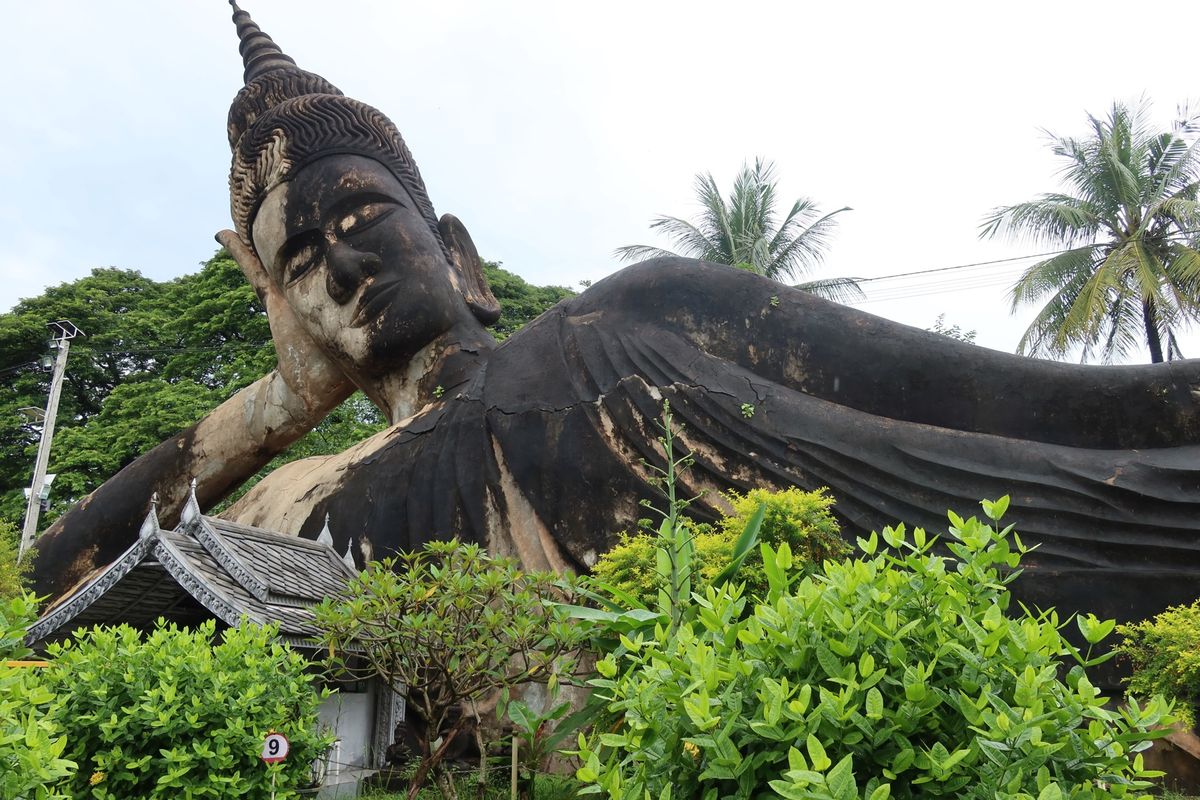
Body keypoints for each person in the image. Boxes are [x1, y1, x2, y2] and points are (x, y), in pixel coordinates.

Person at [32, 3, 1200, 632]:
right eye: (301, 261)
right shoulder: (295, 491)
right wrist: (281, 403)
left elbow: (1026, 409)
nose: (340, 263)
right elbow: (48, 585)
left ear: (456, 254)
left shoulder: (619, 328)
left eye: (362, 216)